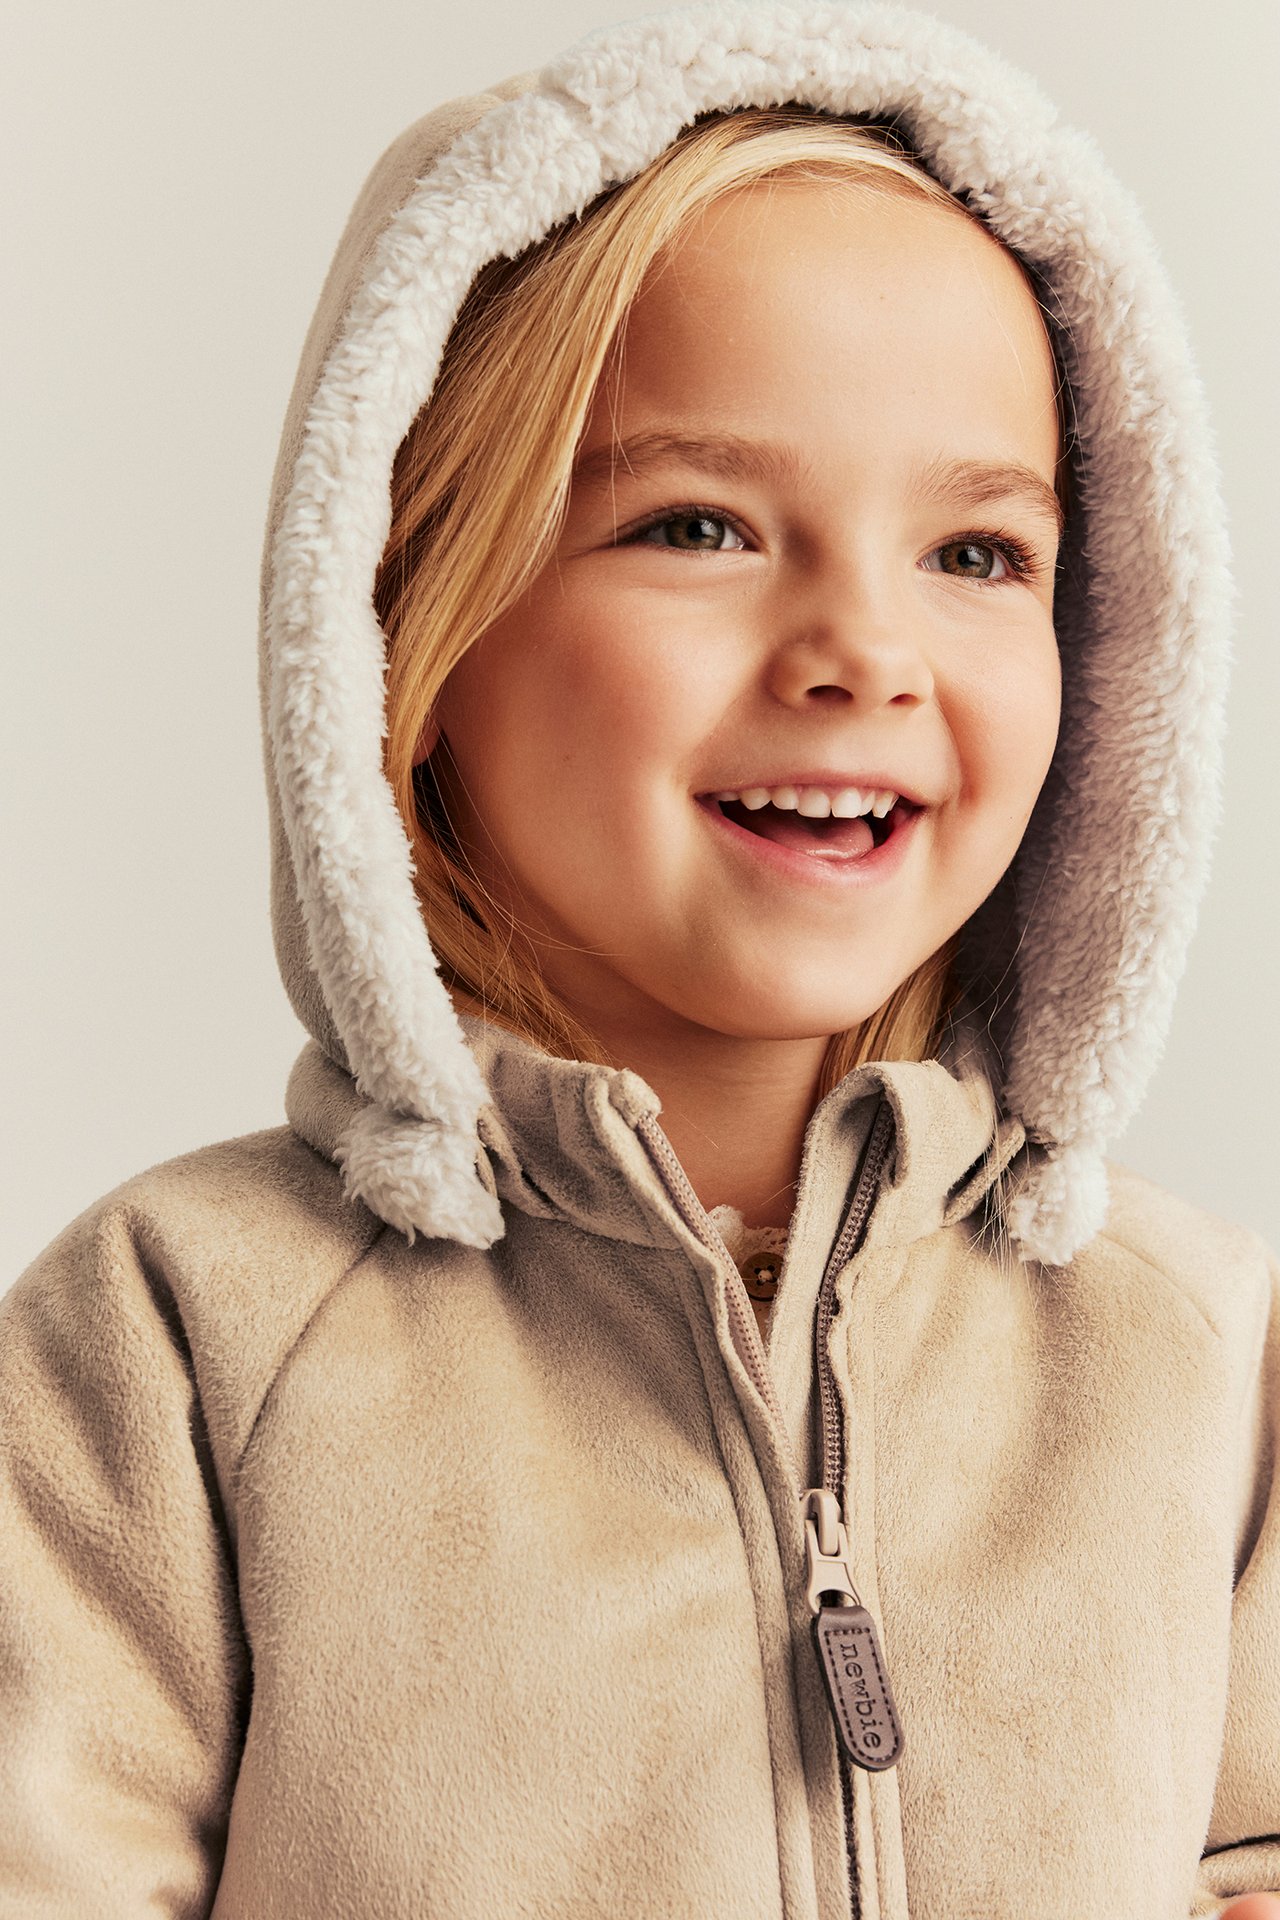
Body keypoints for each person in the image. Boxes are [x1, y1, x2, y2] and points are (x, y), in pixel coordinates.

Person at [1, 3, 1276, 1916]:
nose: (863, 647)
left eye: (980, 552)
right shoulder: (179, 1342)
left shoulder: (1196, 1358)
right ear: (410, 631)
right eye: (701, 524)